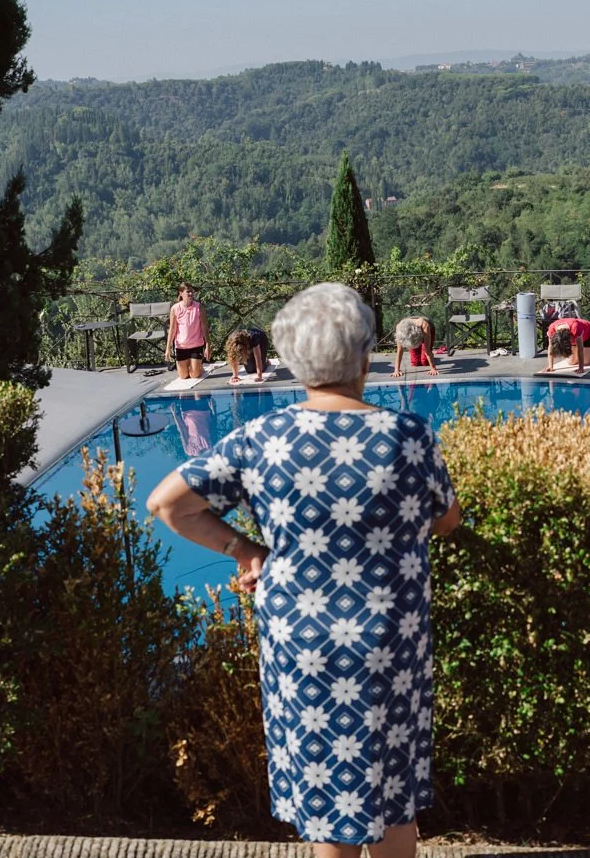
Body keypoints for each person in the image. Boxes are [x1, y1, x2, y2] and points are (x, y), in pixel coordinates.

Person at [146, 283, 461, 858]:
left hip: (304, 644)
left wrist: (246, 551)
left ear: (291, 360)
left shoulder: (261, 439)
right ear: (365, 355)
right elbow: (446, 521)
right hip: (391, 642)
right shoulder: (409, 437)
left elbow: (169, 504)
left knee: (328, 798)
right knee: (393, 796)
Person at [167, 282, 211, 380]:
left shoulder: (199, 307)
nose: (191, 294)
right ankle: (194, 365)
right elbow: (172, 329)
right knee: (183, 376)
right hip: (181, 347)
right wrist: (168, 348)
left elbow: (204, 327)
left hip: (196, 345)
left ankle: (198, 366)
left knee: (194, 375)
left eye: (192, 292)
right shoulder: (175, 308)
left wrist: (208, 345)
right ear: (181, 293)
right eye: (188, 292)